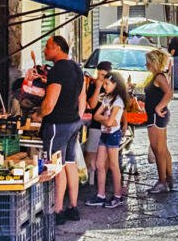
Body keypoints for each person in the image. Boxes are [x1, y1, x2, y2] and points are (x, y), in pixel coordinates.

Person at [39, 34, 86, 223]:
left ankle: (57, 210)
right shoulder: (77, 68)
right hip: (74, 122)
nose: (45, 50)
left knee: (54, 165)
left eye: (48, 47)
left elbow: (49, 103)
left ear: (58, 48)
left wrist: (37, 114)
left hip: (58, 124)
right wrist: (76, 117)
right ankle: (72, 207)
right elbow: (82, 99)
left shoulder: (57, 70)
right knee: (69, 163)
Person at [92, 66, 128, 208]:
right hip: (104, 134)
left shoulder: (118, 102)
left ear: (115, 85)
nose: (104, 86)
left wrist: (104, 119)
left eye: (107, 84)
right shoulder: (107, 98)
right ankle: (101, 195)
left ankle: (118, 195)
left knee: (113, 165)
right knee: (100, 164)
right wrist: (105, 119)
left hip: (113, 134)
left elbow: (108, 120)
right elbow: (98, 116)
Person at [144, 49, 175, 194]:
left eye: (148, 62)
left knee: (158, 150)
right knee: (163, 149)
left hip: (156, 117)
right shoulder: (159, 76)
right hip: (158, 117)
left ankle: (162, 181)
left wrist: (158, 107)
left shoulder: (159, 77)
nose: (146, 65)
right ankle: (168, 178)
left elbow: (169, 93)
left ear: (154, 63)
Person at [83, 63, 107, 203]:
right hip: (95, 125)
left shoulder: (112, 85)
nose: (101, 78)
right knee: (91, 152)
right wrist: (98, 87)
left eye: (103, 75)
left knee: (105, 158)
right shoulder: (93, 85)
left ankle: (101, 183)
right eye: (99, 74)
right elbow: (91, 105)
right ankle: (92, 179)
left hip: (108, 126)